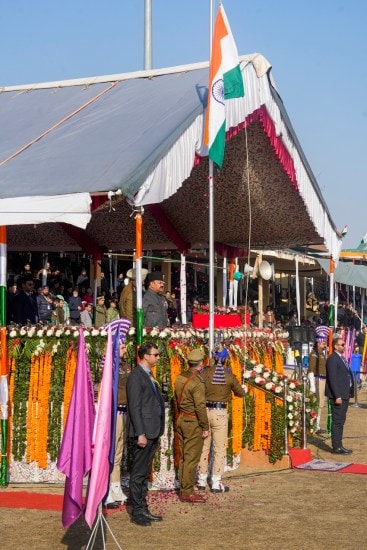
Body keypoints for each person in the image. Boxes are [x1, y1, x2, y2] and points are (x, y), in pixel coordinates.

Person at [126, 342, 165, 526]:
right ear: (145, 356)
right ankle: (137, 511)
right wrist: (140, 433)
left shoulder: (148, 375)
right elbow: (134, 407)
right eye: (155, 354)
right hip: (144, 432)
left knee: (143, 472)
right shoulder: (136, 376)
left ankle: (143, 508)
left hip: (152, 430)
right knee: (139, 473)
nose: (157, 357)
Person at [197, 346, 246, 493]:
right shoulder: (229, 375)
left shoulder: (204, 372)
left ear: (213, 358)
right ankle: (216, 481)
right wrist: (243, 388)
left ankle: (201, 479)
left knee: (204, 447)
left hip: (205, 411)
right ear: (225, 359)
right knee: (219, 449)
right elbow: (240, 393)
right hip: (220, 412)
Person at [174, 348, 209, 504]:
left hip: (181, 418)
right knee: (191, 458)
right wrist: (205, 426)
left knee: (183, 456)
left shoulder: (181, 377)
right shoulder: (197, 382)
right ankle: (187, 491)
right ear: (201, 363)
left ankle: (183, 486)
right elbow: (200, 406)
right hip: (193, 421)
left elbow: (175, 398)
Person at [104, 343, 130, 509]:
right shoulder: (107, 364)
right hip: (113, 412)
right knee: (109, 452)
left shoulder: (126, 365)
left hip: (124, 410)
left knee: (118, 452)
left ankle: (115, 486)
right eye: (122, 347)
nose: (125, 349)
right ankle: (105, 491)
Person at [325, 336, 354, 454]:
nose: (344, 346)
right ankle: (336, 446)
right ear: (336, 346)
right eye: (342, 344)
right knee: (337, 421)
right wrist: (337, 395)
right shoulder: (332, 359)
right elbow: (332, 379)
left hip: (344, 393)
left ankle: (339, 444)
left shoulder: (341, 358)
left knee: (341, 420)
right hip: (338, 395)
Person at [307, 325, 329, 433]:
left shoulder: (322, 353)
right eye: (323, 342)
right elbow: (311, 370)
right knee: (317, 403)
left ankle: (317, 424)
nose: (324, 344)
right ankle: (314, 425)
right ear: (318, 342)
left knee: (320, 403)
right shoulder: (314, 354)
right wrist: (312, 385)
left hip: (322, 380)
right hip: (317, 380)